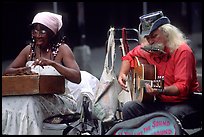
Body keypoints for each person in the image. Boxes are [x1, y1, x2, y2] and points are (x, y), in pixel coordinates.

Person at [2, 11, 99, 135]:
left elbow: (77, 77)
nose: (37, 35)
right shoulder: (29, 50)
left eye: (42, 31)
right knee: (6, 102)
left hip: (59, 99)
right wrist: (21, 70)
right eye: (34, 31)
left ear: (52, 33)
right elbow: (8, 71)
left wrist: (53, 64)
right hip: (34, 96)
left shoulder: (62, 50)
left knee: (29, 103)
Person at [118, 11, 201, 122]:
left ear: (167, 33)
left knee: (170, 116)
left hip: (186, 102)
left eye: (154, 36)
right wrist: (122, 74)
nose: (151, 41)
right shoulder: (149, 49)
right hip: (161, 102)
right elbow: (129, 56)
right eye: (147, 38)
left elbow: (182, 87)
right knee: (129, 108)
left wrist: (161, 90)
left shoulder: (183, 51)